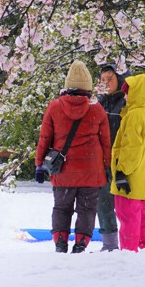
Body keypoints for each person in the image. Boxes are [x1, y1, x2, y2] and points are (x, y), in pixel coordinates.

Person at [34, 61, 112, 253]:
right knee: (86, 209)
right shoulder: (97, 109)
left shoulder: (54, 107)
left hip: (64, 171)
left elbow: (45, 138)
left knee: (61, 207)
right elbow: (106, 142)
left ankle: (60, 242)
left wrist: (39, 164)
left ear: (67, 85)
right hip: (91, 173)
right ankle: (80, 244)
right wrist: (108, 166)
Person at [111, 74, 145, 252]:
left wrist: (121, 172)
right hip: (144, 178)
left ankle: (129, 252)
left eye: (127, 92)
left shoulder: (134, 116)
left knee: (128, 217)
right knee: (143, 216)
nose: (125, 96)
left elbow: (131, 148)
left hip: (132, 178)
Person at [95, 64, 128, 251]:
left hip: (123, 161)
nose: (106, 83)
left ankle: (141, 239)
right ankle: (109, 245)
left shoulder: (126, 102)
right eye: (103, 79)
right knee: (103, 202)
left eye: (110, 78)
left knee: (130, 203)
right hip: (102, 161)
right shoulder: (98, 103)